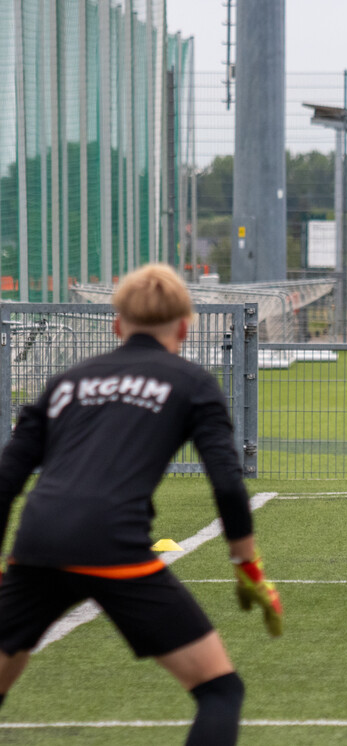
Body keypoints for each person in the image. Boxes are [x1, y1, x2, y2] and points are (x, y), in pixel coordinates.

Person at [0, 263, 283, 745]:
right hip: (114, 545)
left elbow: (7, 476)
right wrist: (246, 563)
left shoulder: (67, 382)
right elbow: (228, 484)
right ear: (184, 327)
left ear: (116, 325)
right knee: (219, 690)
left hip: (37, 545)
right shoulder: (192, 382)